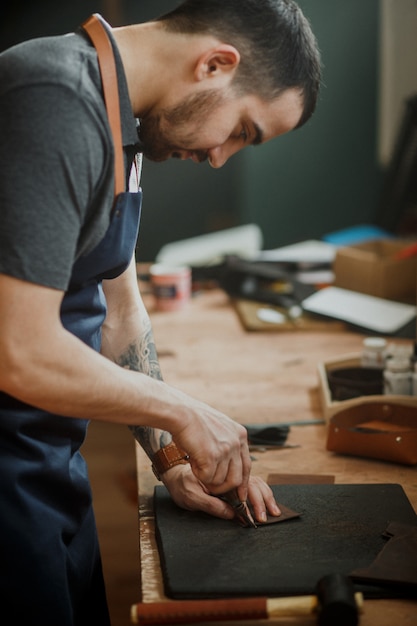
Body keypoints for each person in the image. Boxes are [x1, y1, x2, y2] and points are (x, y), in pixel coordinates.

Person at [0, 0, 321, 624]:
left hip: (49, 469)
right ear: (214, 65)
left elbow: (120, 314)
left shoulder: (128, 124)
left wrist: (172, 458)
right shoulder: (54, 99)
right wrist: (185, 412)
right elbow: (20, 348)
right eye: (242, 130)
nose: (222, 156)